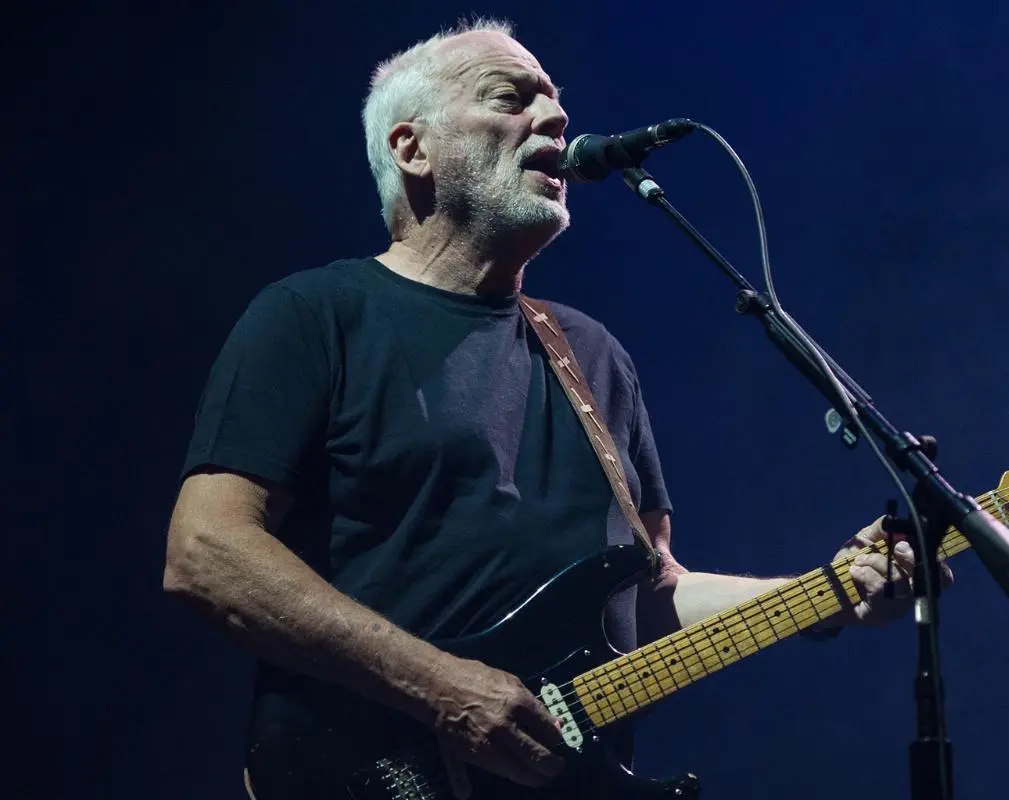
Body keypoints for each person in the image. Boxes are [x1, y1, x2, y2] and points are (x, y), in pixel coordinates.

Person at [163, 17, 953, 800]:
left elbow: (649, 597)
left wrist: (825, 593)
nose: (554, 117)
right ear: (412, 148)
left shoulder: (591, 354)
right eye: (511, 98)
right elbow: (206, 552)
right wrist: (439, 687)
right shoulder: (314, 316)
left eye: (555, 103)